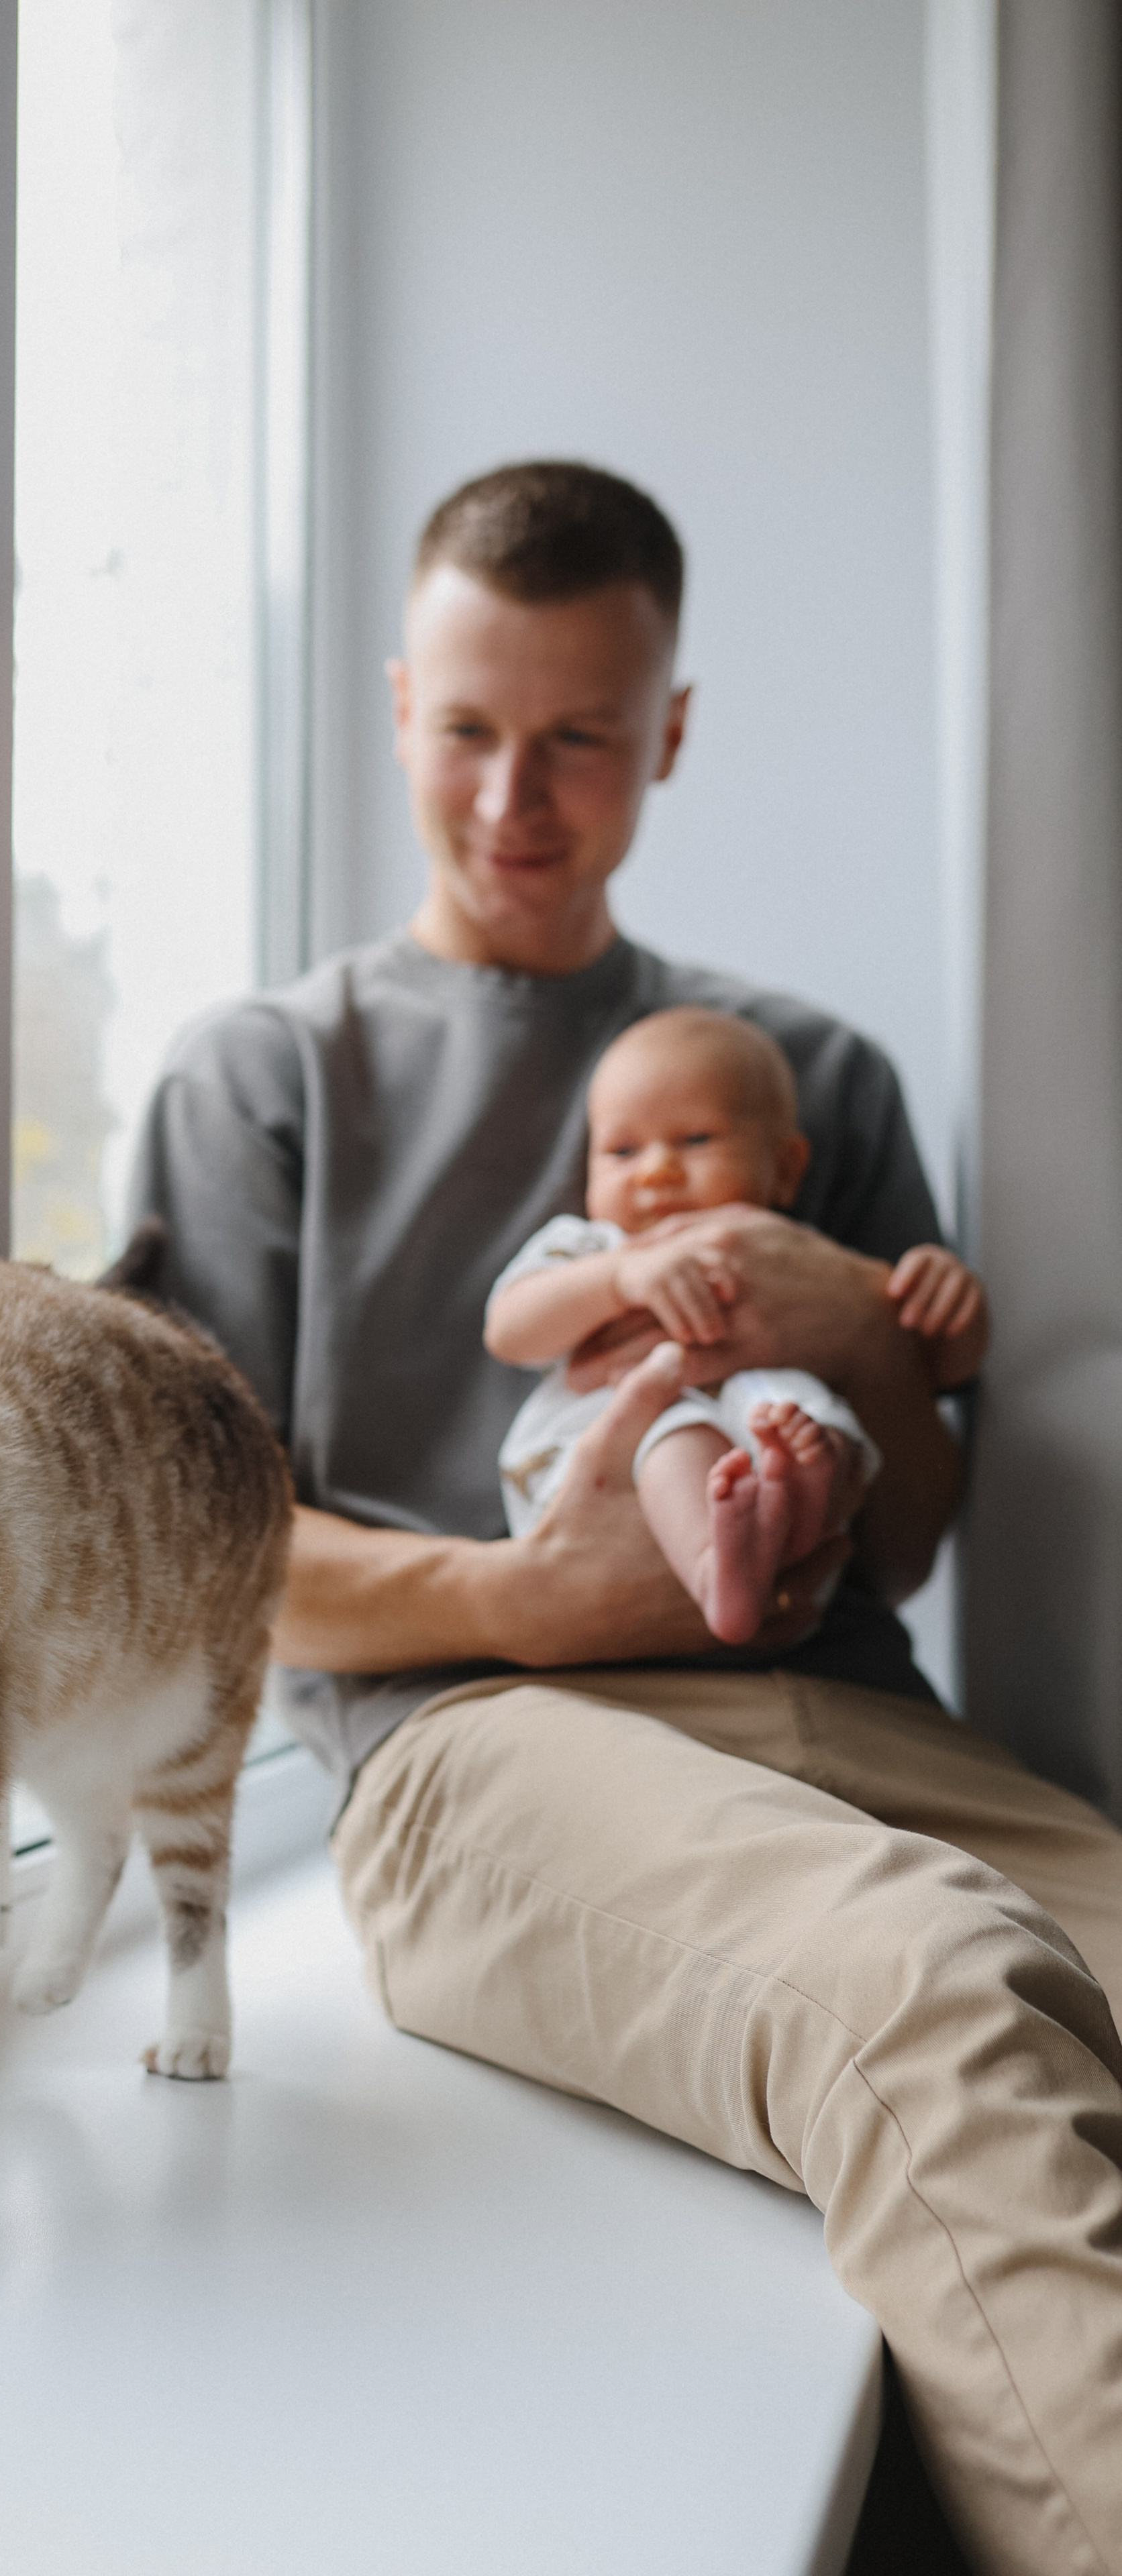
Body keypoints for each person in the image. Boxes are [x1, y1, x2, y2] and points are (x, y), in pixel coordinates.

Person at [131, 460, 1122, 2576]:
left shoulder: (804, 1079)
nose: (515, 794)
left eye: (579, 734)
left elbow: (919, 1532)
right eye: (471, 729)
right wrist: (529, 1593)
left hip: (847, 1703)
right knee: (932, 1983)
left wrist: (854, 1337)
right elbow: (190, 1560)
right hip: (472, 1749)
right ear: (400, 705)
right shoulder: (265, 1081)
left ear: (666, 728)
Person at [484, 1005, 988, 1644]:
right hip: (614, 1471)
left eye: (695, 1141)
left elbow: (944, 1364)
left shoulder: (806, 1261)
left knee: (827, 1435)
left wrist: (949, 1300)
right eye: (622, 1150)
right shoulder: (594, 1248)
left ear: (784, 1169)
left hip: (761, 1445)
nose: (656, 1170)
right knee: (677, 1433)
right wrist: (619, 1279)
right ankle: (717, 1568)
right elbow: (509, 1329)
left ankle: (785, 1515)